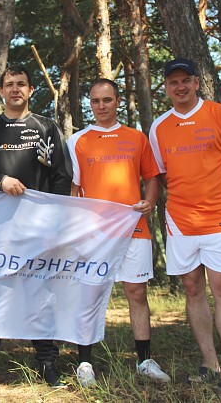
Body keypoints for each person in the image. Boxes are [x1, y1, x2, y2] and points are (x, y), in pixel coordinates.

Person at [0, 64, 73, 395]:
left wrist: (54, 224)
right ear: (1, 90)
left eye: (21, 84)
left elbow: (62, 177)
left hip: (37, 228)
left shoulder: (46, 127)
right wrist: (0, 180)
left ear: (31, 89)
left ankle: (48, 365)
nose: (15, 89)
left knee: (40, 296)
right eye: (9, 84)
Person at [150, 58, 221, 402]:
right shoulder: (159, 126)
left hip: (218, 219)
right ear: (167, 88)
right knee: (192, 288)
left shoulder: (220, 114)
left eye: (185, 81)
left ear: (196, 82)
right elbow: (162, 175)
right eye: (173, 82)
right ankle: (210, 365)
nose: (179, 87)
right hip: (180, 221)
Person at [67, 78, 170, 386]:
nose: (101, 106)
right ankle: (85, 363)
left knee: (137, 293)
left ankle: (145, 361)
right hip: (95, 233)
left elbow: (152, 178)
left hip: (133, 227)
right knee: (90, 294)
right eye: (95, 101)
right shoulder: (78, 141)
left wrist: (150, 201)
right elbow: (74, 189)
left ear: (118, 102)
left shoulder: (136, 138)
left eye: (107, 100)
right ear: (90, 103)